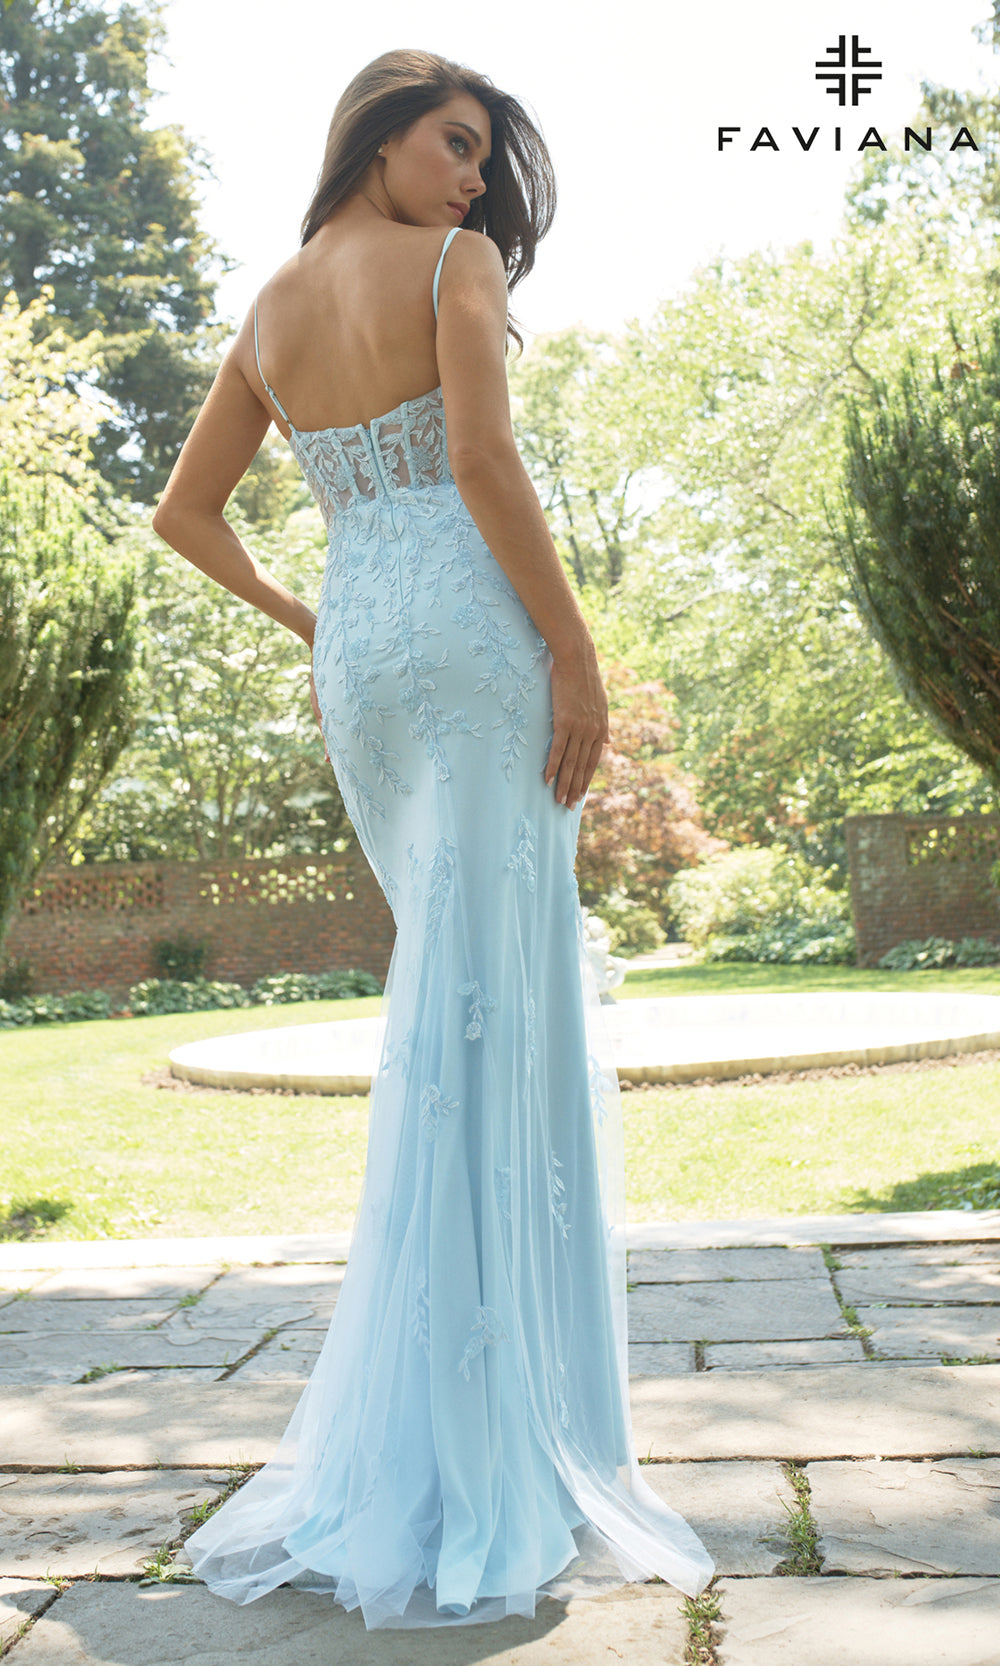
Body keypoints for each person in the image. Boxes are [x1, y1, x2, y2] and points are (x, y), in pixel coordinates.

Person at [152, 47, 713, 1631]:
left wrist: (303, 605)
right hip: (473, 639)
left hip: (364, 666)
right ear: (382, 135)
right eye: (456, 144)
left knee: (445, 1005)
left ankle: (447, 1424)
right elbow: (480, 463)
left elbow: (185, 512)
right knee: (490, 1011)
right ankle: (492, 1451)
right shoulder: (454, 267)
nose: (475, 183)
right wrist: (581, 650)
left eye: (482, 162)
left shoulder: (268, 308)